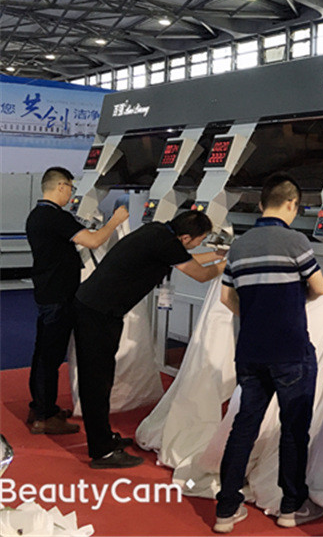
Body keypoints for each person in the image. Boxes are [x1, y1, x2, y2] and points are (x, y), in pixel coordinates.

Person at [214, 173, 323, 534]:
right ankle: (290, 508)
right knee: (294, 430)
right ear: (292, 204)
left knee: (244, 426)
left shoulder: (239, 246)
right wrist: (291, 303)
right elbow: (319, 287)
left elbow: (226, 297)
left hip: (250, 352)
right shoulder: (296, 241)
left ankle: (226, 510)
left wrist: (256, 316)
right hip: (291, 351)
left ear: (262, 204)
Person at [73, 209, 226, 469]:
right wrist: (228, 263)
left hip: (97, 308)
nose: (200, 244)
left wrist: (217, 255)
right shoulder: (165, 243)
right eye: (200, 240)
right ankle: (101, 451)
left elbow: (186, 258)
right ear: (186, 237)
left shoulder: (158, 232)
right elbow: (201, 275)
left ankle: (104, 438)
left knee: (102, 377)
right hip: (98, 313)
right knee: (96, 381)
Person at [25, 166, 129, 434]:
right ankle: (44, 416)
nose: (71, 194)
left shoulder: (37, 215)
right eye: (71, 188)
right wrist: (115, 221)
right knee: (49, 357)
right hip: (58, 296)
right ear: (61, 186)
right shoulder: (55, 217)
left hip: (47, 291)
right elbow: (93, 241)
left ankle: (41, 407)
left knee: (43, 353)